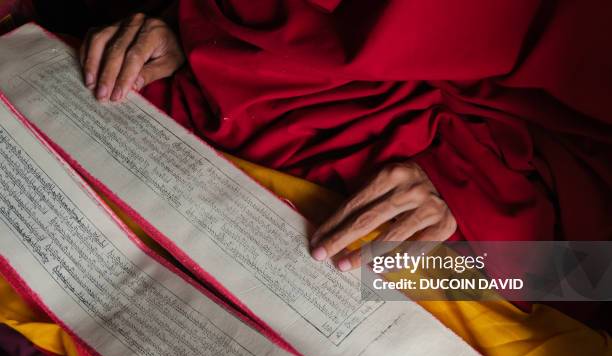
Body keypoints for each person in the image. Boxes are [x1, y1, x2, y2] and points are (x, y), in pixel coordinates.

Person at [78, 0, 611, 271]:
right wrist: (182, 29)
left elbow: (588, 279)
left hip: (449, 261)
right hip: (174, 148)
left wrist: (466, 193)